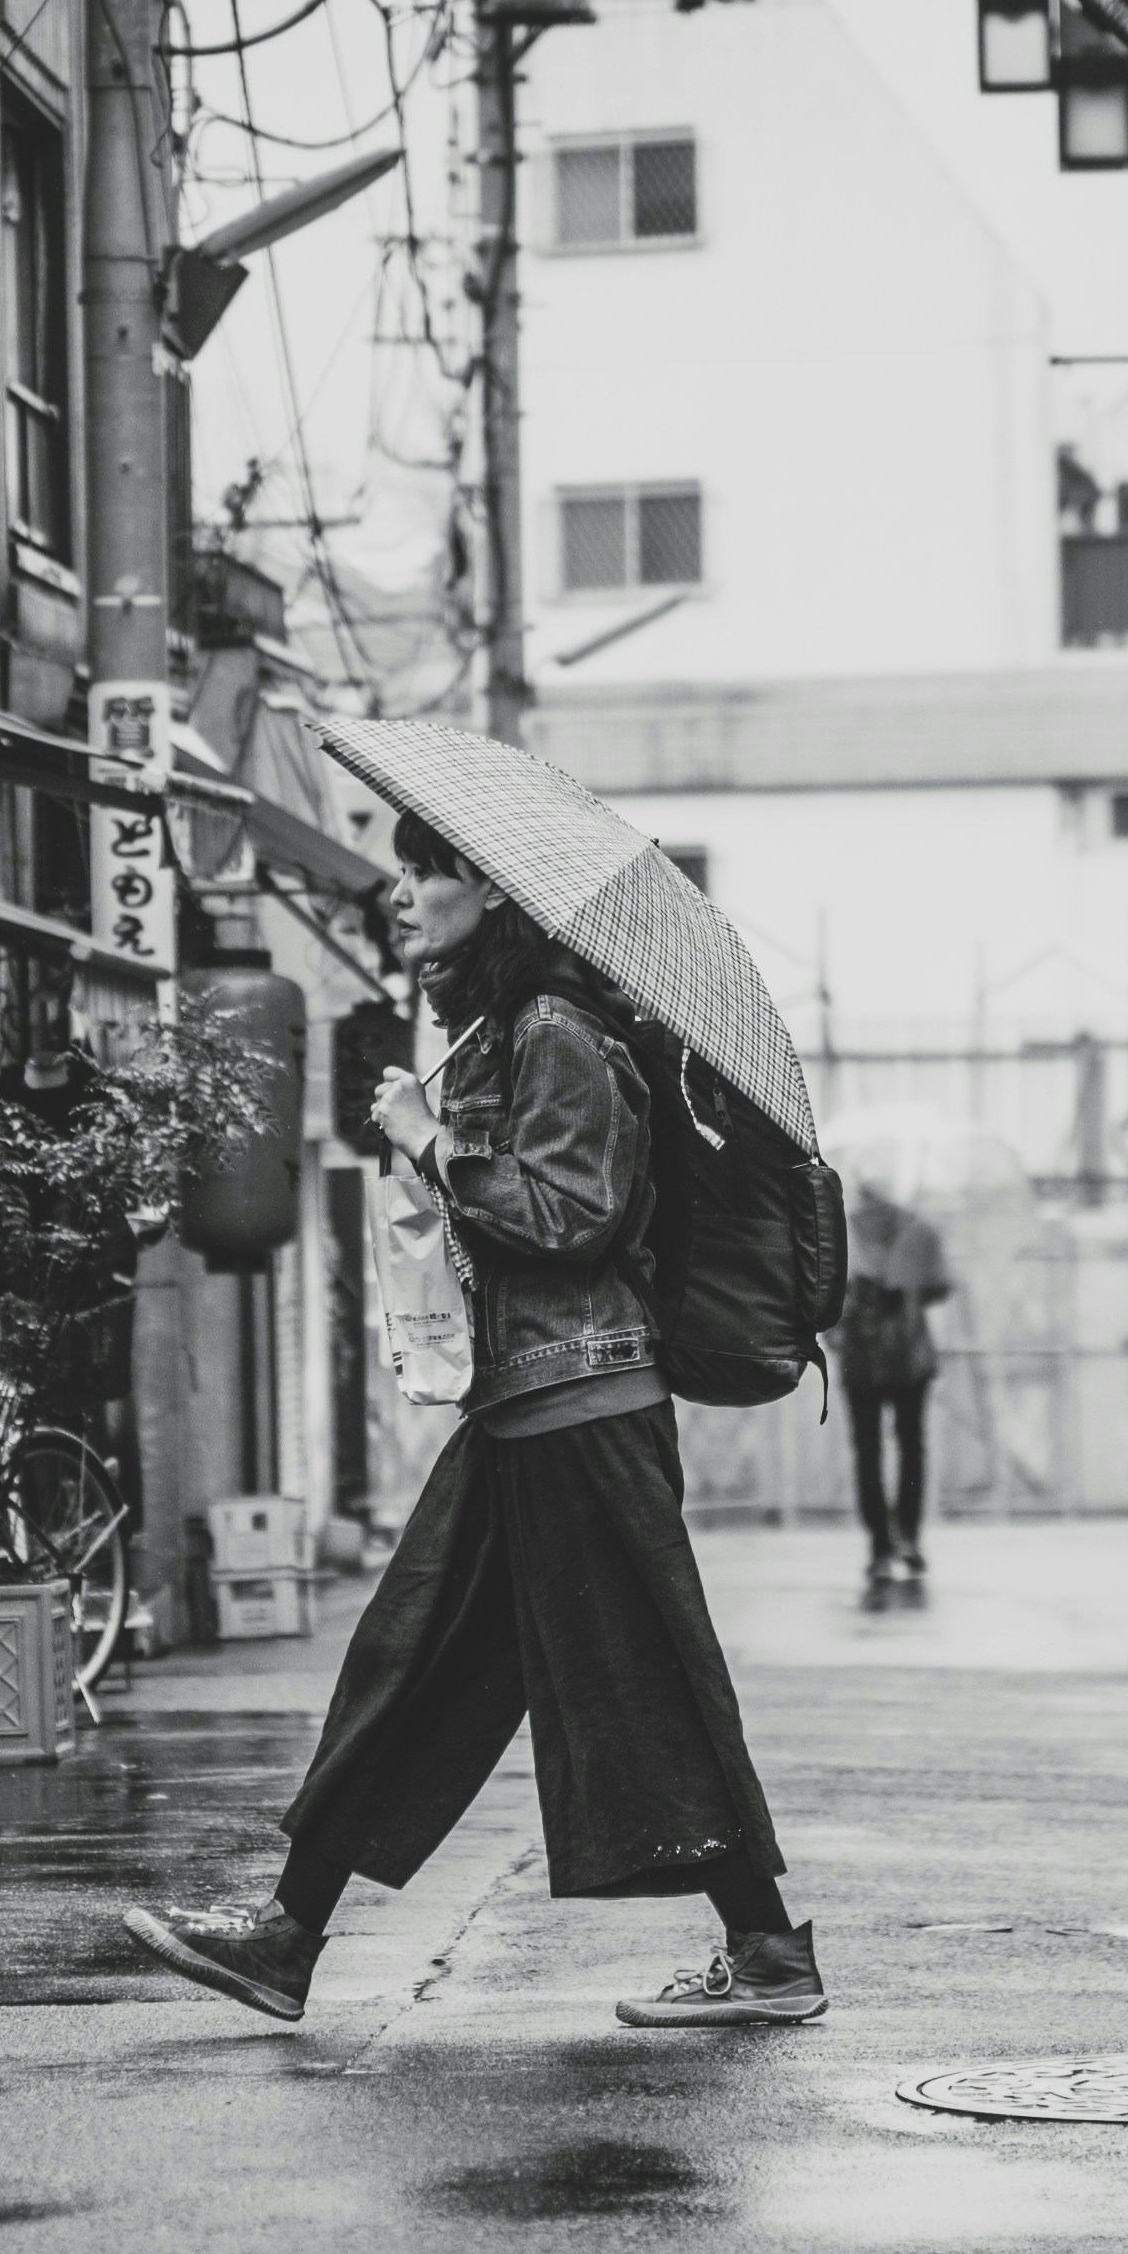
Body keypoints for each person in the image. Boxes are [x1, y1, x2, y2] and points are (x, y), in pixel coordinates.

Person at [116, 821, 822, 2029]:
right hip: (528, 1406)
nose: (401, 896)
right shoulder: (517, 1026)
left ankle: (766, 1950)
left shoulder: (559, 1033)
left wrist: (431, 1142)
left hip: (582, 1406)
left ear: (489, 885)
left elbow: (572, 1215)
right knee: (411, 1663)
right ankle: (288, 1935)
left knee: (641, 1678)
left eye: (422, 872)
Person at [834, 1174, 953, 1591]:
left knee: (869, 1450)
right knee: (910, 1446)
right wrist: (908, 1287)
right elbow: (941, 1288)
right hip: (908, 1352)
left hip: (862, 1355)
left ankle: (881, 1546)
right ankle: (907, 1537)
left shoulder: (843, 1230)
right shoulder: (918, 1230)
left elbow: (827, 1294)